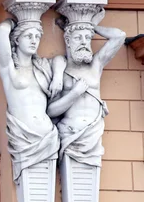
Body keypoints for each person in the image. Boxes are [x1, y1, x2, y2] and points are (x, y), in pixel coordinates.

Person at [47, 10, 126, 166]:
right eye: (78, 37)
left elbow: (119, 36)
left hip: (93, 132)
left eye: (87, 38)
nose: (84, 42)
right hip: (70, 133)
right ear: (68, 41)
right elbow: (51, 111)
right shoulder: (61, 71)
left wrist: (91, 26)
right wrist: (74, 93)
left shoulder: (95, 65)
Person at [0, 18, 65, 183]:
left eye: (37, 36)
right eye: (28, 36)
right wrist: (15, 21)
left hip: (48, 136)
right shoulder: (10, 69)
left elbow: (61, 60)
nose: (34, 41)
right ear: (17, 39)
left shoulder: (42, 67)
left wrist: (58, 76)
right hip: (24, 138)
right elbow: (2, 29)